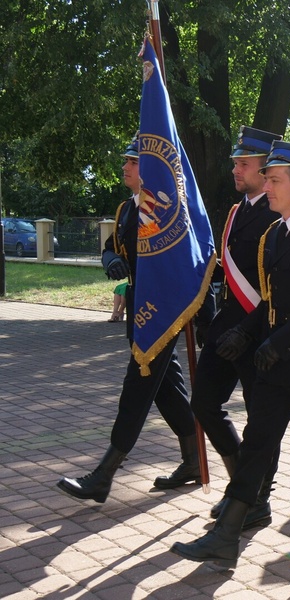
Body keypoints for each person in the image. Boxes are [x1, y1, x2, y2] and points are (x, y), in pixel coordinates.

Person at [171, 141, 290, 566]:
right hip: (277, 362)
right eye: (268, 179)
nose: (268, 186)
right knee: (257, 442)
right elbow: (269, 300)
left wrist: (278, 342)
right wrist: (246, 331)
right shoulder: (273, 234)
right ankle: (226, 534)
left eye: (274, 180)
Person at [57, 133, 201, 503]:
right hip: (138, 309)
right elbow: (110, 248)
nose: (125, 166)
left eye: (133, 162)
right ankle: (193, 461)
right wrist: (111, 260)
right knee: (167, 389)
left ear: (150, 168)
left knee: (136, 389)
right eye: (126, 160)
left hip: (163, 311)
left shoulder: (166, 210)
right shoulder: (126, 210)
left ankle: (103, 475)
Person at [190, 126, 283, 531]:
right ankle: (239, 484)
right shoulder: (235, 212)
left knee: (261, 418)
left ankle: (257, 498)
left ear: (265, 169)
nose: (235, 169)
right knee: (203, 403)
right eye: (235, 163)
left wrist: (247, 329)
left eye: (243, 163)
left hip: (259, 329)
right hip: (226, 322)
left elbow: (279, 286)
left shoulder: (277, 215)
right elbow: (223, 269)